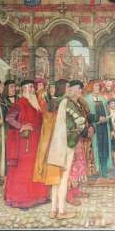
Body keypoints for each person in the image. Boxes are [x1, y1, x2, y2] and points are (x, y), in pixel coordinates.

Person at [44, 80, 88, 219]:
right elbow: (80, 121)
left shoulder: (61, 101)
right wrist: (82, 130)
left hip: (56, 143)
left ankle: (53, 210)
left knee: (56, 177)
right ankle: (61, 211)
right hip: (67, 144)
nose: (79, 91)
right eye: (77, 88)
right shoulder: (69, 103)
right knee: (63, 177)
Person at [3, 80, 50, 209]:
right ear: (23, 90)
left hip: (36, 142)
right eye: (27, 87)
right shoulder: (20, 103)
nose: (31, 90)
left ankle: (38, 197)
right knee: (23, 172)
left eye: (31, 87)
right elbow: (9, 118)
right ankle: (21, 200)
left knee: (35, 169)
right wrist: (21, 126)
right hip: (24, 144)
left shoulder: (36, 103)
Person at [86, 80, 113, 178]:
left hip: (104, 127)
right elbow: (86, 115)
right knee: (95, 148)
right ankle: (95, 170)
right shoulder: (87, 99)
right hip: (94, 127)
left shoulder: (103, 98)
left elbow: (108, 113)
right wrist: (96, 120)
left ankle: (104, 170)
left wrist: (111, 129)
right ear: (91, 87)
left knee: (104, 148)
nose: (97, 88)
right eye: (95, 86)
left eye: (98, 86)